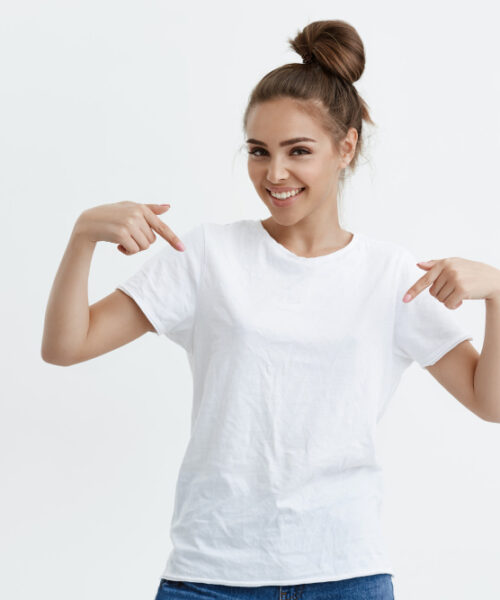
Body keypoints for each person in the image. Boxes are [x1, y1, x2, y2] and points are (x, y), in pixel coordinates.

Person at [42, 19, 485, 600]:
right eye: (259, 152)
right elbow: (66, 347)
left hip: (344, 574)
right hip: (210, 575)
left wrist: (499, 295)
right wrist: (82, 239)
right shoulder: (205, 256)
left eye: (298, 151)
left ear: (345, 147)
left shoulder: (390, 275)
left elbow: (490, 401)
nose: (274, 175)